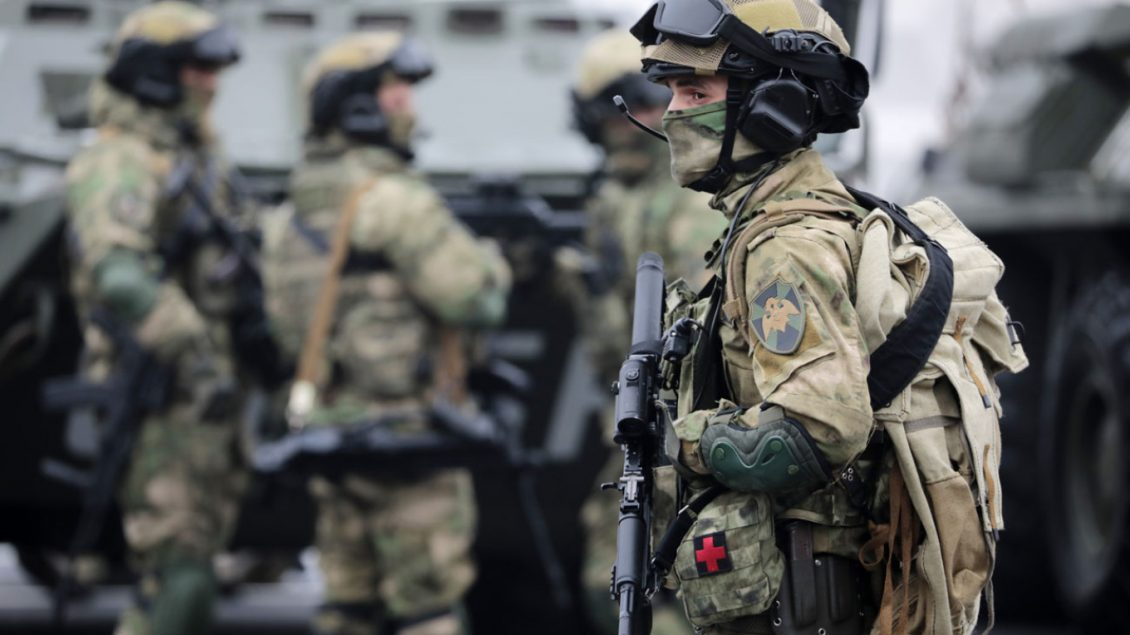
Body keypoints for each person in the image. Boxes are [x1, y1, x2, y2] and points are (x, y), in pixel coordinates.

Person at [627, 1, 1028, 634]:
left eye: (695, 92)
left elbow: (817, 428)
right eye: (672, 91)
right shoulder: (790, 221)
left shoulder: (785, 247)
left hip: (811, 596)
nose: (674, 112)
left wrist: (684, 441)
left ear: (772, 108)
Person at [259, 32, 512, 635]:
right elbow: (474, 299)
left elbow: (284, 326)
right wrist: (494, 263)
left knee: (348, 603)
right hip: (410, 438)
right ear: (357, 105)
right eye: (395, 92)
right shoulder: (394, 201)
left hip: (331, 434)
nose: (409, 106)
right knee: (427, 604)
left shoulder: (287, 216)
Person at [63, 2, 253, 633]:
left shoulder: (194, 160)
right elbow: (119, 274)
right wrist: (195, 351)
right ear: (155, 74)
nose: (211, 85)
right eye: (197, 69)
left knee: (194, 572)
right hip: (163, 394)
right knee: (179, 578)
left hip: (203, 401)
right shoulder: (121, 159)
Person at [566, 28, 726, 635]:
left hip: (678, 426)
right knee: (612, 577)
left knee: (658, 583)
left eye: (649, 103)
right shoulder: (617, 197)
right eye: (620, 110)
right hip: (642, 419)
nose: (634, 123)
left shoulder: (686, 200)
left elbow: (700, 326)